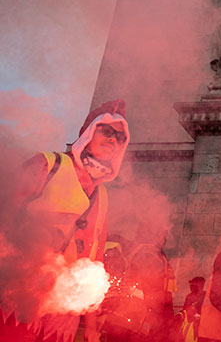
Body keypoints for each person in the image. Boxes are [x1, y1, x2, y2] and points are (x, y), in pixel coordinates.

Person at [0, 99, 130, 342]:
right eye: (107, 131)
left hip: (61, 322)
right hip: (15, 307)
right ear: (90, 131)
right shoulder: (47, 164)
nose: (114, 140)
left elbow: (95, 263)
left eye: (121, 137)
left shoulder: (102, 195)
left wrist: (90, 326)